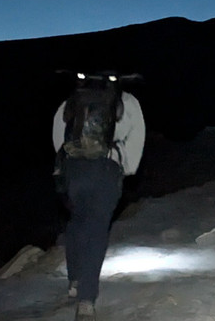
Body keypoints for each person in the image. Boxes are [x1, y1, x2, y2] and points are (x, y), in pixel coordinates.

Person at [52, 72, 145, 320]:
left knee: (77, 222)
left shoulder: (72, 100)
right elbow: (137, 137)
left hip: (74, 171)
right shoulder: (126, 101)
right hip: (106, 169)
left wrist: (70, 165)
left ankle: (74, 281)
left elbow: (58, 137)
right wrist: (127, 168)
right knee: (97, 229)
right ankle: (86, 298)